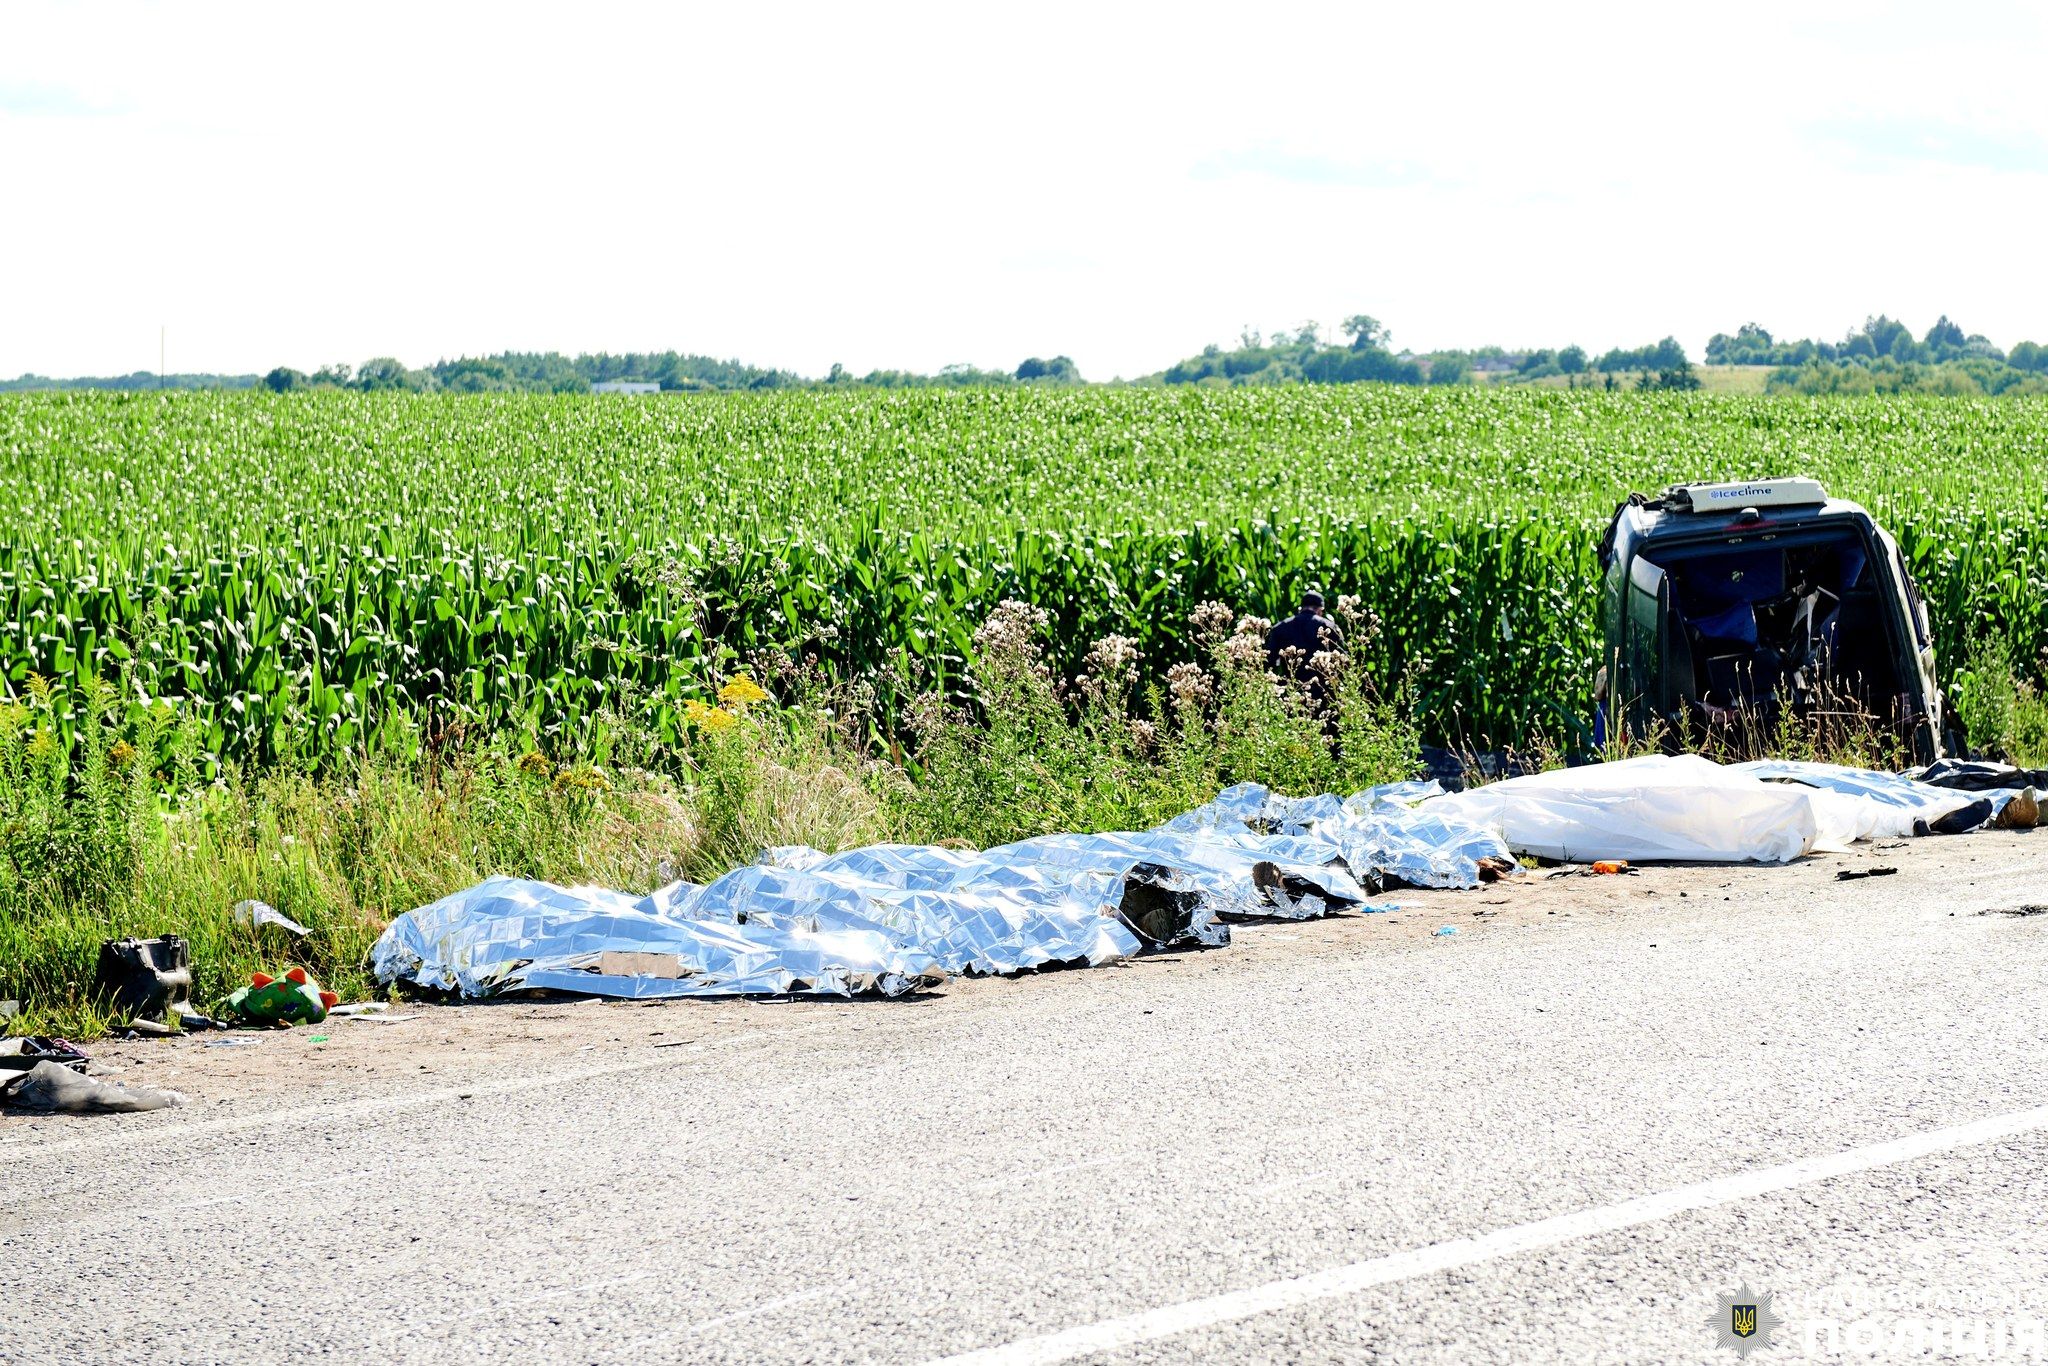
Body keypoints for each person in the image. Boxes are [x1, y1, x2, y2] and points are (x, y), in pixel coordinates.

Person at [1265, 590, 1344, 684]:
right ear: (1320, 610)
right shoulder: (1329, 626)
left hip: (1291, 686)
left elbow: (1269, 660)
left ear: (1300, 608)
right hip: (1322, 687)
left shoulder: (1280, 628)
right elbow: (1341, 659)